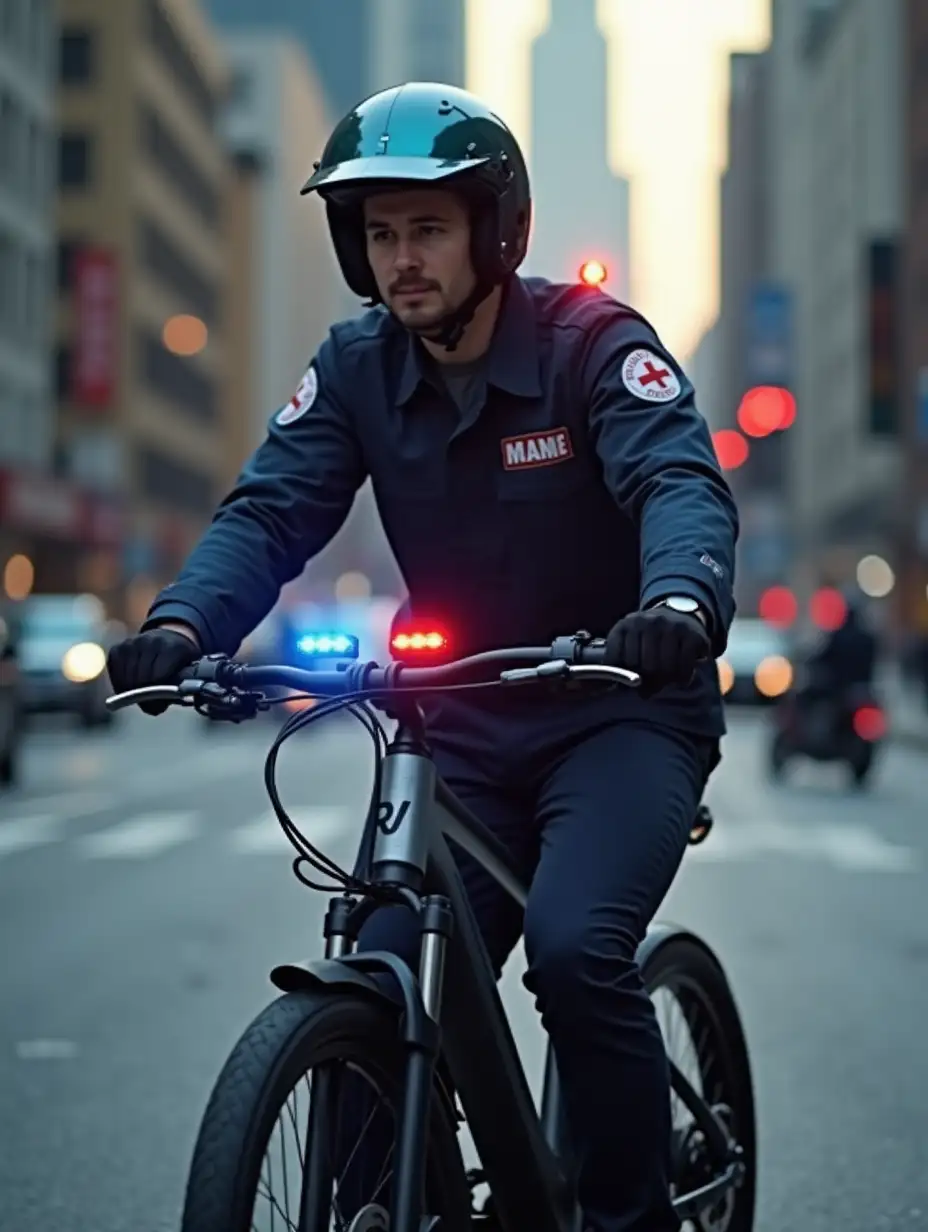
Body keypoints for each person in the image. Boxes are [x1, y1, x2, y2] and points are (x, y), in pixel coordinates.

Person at [107, 82, 739, 1232]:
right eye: (381, 234)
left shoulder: (595, 347)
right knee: (382, 964)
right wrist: (185, 624)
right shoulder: (355, 368)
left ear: (496, 231)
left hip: (621, 705)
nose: (402, 260)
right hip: (462, 729)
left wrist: (679, 601)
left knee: (573, 947)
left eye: (428, 229)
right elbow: (269, 511)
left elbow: (676, 485)